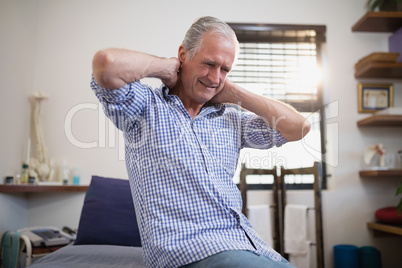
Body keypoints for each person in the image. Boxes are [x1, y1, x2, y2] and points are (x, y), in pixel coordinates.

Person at [91, 16, 310, 268]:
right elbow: (106, 64)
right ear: (184, 55)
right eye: (209, 64)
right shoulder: (144, 107)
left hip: (244, 245)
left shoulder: (231, 119)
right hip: (187, 252)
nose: (215, 78)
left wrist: (235, 93)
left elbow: (299, 127)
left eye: (225, 70)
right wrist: (166, 68)